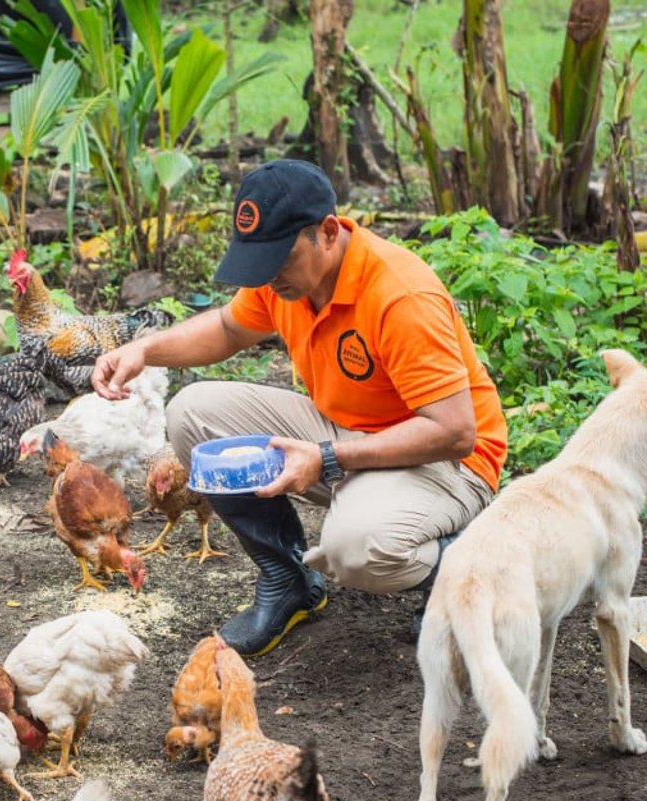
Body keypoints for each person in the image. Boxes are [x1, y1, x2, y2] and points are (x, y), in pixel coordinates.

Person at [92, 159, 506, 656]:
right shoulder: (287, 281)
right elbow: (229, 327)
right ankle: (287, 578)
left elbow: (455, 431)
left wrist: (327, 458)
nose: (269, 278)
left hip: (448, 461)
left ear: (327, 233)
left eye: (280, 259)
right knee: (193, 415)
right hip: (348, 428)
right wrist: (145, 349)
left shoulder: (400, 295)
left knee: (354, 549)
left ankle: (466, 565)